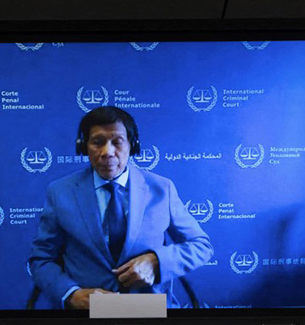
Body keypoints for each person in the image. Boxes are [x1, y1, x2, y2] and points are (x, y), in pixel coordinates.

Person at [28, 107, 213, 310]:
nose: (107, 152)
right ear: (83, 146)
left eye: (117, 142)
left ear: (132, 146)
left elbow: (201, 246)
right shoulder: (60, 192)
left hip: (150, 313)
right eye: (97, 142)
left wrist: (157, 262)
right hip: (86, 316)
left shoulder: (162, 189)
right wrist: (72, 294)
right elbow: (41, 260)